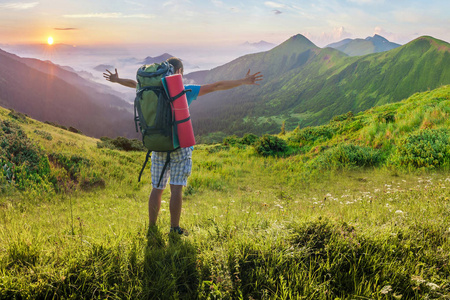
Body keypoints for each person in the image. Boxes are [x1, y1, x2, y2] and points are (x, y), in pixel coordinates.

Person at [104, 57, 263, 235]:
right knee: (176, 189)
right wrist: (242, 81)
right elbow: (216, 86)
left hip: (158, 145)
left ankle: (152, 228)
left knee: (157, 189)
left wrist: (117, 80)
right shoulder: (184, 90)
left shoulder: (151, 88)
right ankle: (174, 228)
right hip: (179, 147)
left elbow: (134, 83)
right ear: (179, 72)